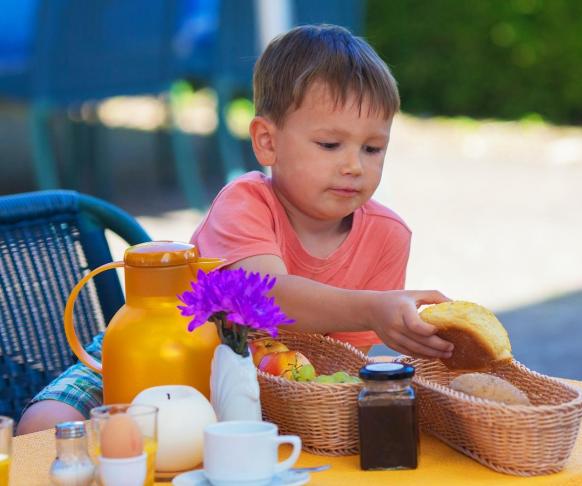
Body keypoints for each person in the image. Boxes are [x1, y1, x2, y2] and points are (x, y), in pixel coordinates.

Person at [17, 24, 453, 434]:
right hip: (163, 350)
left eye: (373, 148)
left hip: (268, 387)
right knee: (47, 424)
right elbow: (263, 296)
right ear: (267, 142)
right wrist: (373, 307)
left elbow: (338, 362)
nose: (354, 166)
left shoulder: (387, 236)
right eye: (329, 144)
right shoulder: (245, 202)